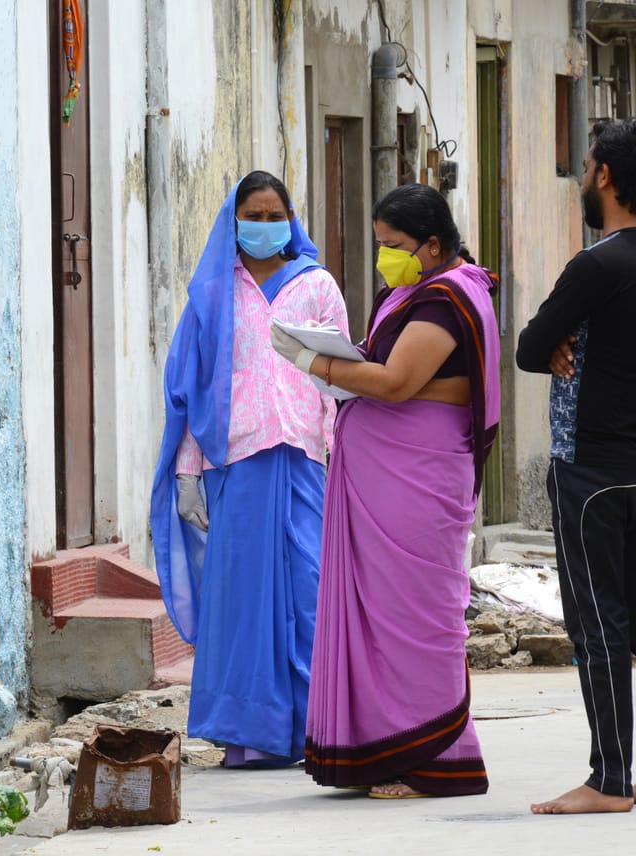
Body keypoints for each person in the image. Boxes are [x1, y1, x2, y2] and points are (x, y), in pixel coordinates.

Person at [272, 182, 500, 798]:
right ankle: (381, 749)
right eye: (379, 245)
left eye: (393, 245)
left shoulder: (447, 300)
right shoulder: (410, 292)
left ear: (430, 245)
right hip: (382, 476)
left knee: (416, 616)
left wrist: (313, 362)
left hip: (417, 480)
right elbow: (386, 372)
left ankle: (437, 757)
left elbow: (398, 382)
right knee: (377, 614)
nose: (383, 257)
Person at [150, 170, 349, 767]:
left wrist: (347, 456)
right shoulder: (212, 293)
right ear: (233, 222)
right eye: (253, 216)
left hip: (307, 458)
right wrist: (187, 473)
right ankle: (252, 736)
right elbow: (190, 389)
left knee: (309, 591)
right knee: (241, 602)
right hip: (233, 461)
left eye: (274, 216)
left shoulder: (316, 287)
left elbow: (342, 379)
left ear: (292, 219)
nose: (264, 226)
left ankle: (323, 728)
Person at [517, 118, 636, 815]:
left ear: (606, 177)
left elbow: (528, 345)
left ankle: (608, 780)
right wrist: (565, 346)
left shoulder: (597, 262)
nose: (582, 179)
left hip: (589, 469)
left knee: (598, 627)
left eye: (586, 168)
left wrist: (557, 347)